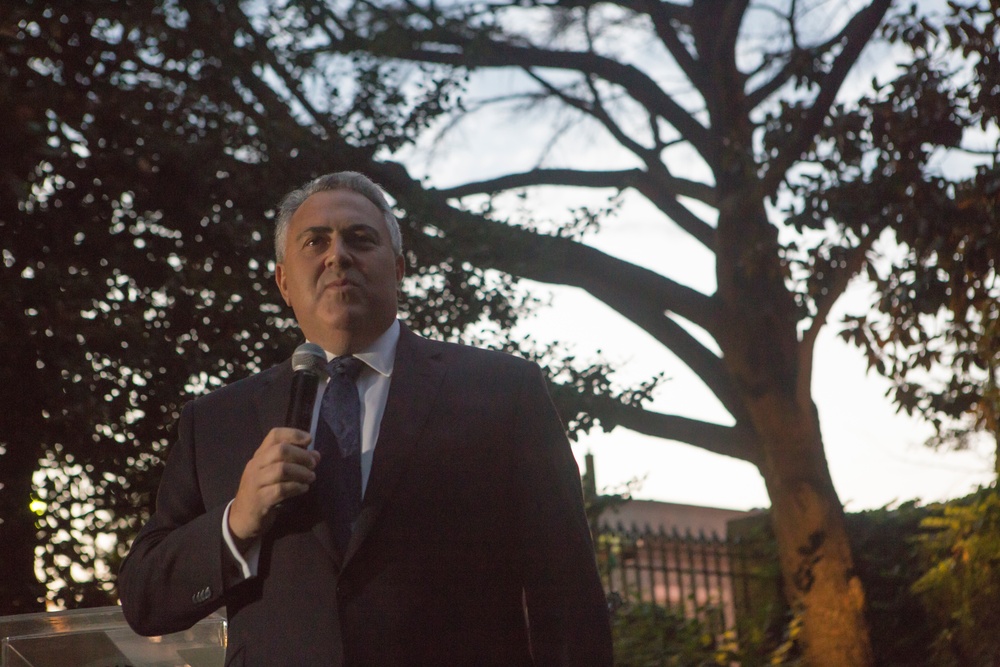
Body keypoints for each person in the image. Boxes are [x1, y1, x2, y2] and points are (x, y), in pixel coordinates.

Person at [117, 171, 613, 666]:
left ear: (398, 268)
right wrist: (238, 521)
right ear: (283, 280)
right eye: (315, 241)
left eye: (360, 238)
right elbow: (144, 599)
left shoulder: (504, 392)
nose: (337, 255)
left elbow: (566, 593)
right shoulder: (216, 422)